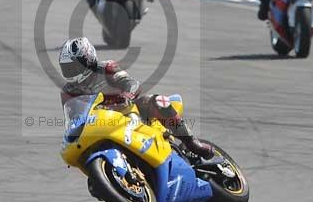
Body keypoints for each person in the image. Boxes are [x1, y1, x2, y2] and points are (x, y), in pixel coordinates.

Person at [58, 37, 214, 160]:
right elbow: (73, 117)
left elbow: (131, 83)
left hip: (129, 109)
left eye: (74, 67)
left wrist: (127, 95)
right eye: (67, 68)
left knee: (158, 101)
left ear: (89, 59)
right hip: (101, 123)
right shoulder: (68, 90)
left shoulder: (106, 68)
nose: (71, 72)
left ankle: (191, 142)